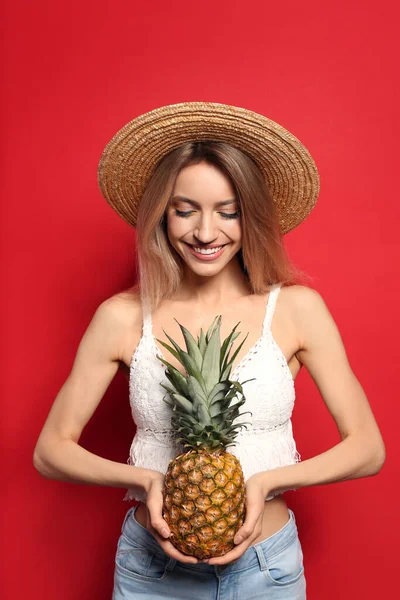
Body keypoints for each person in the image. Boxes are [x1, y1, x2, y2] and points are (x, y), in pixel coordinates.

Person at [33, 102, 386, 599]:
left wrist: (263, 484)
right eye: (184, 210)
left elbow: (368, 449)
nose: (204, 232)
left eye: (228, 212)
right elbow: (50, 450)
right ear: (162, 213)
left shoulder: (295, 309)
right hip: (151, 573)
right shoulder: (121, 317)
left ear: (251, 218)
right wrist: (148, 481)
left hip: (268, 570)